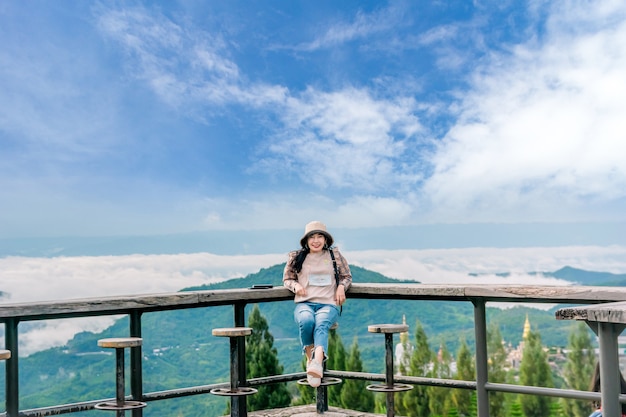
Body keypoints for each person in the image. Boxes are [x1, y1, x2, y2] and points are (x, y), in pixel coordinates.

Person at [283, 221, 352, 388]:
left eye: (319, 236)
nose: (316, 240)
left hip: (328, 303)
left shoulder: (334, 256)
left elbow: (347, 276)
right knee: (306, 321)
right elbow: (287, 279)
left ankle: (317, 363)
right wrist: (295, 286)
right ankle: (311, 360)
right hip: (304, 302)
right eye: (312, 237)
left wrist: (342, 287)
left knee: (321, 324)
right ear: (306, 240)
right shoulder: (297, 257)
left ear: (326, 239)